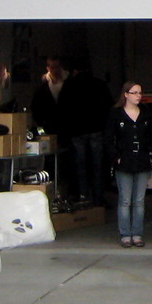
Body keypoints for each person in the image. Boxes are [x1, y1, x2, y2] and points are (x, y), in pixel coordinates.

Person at [106, 82, 152, 247]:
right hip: (125, 160)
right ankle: (125, 234)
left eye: (140, 93)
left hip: (142, 159)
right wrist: (116, 157)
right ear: (126, 94)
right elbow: (108, 138)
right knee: (125, 200)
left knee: (139, 200)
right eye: (134, 93)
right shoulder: (116, 114)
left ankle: (137, 234)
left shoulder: (146, 113)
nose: (138, 96)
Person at [58, 59, 110, 207]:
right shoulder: (99, 85)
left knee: (80, 165)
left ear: (74, 71)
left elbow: (62, 109)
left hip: (77, 131)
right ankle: (98, 197)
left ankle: (82, 196)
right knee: (97, 165)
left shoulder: (69, 86)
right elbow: (108, 107)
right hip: (96, 130)